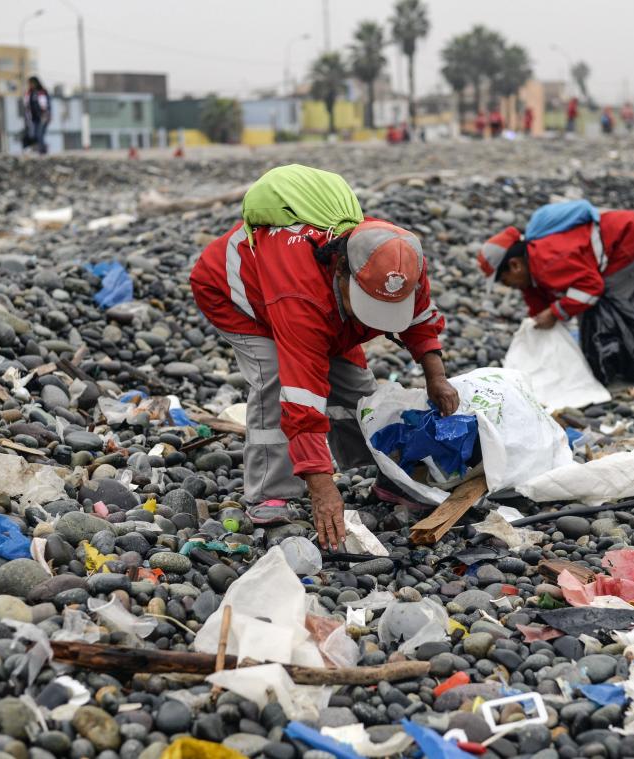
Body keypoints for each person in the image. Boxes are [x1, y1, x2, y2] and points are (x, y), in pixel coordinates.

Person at [190, 165, 457, 549]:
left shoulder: (397, 259)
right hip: (239, 296)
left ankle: (380, 473)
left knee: (358, 389)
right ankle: (269, 491)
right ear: (342, 270)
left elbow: (419, 317)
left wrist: (436, 375)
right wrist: (322, 487)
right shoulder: (302, 296)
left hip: (327, 309)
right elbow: (302, 396)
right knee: (276, 380)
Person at [477, 201, 634, 331]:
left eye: (505, 281)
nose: (510, 286)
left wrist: (555, 313)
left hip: (632, 240)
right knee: (632, 304)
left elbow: (592, 288)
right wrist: (539, 315)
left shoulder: (546, 262)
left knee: (609, 307)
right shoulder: (534, 263)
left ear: (515, 265)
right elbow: (537, 295)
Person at [23, 76, 51, 154]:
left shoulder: (41, 92)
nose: (29, 85)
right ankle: (38, 149)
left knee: (40, 134)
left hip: (42, 117)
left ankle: (42, 151)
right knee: (33, 134)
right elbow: (27, 105)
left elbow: (45, 105)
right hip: (33, 118)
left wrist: (45, 115)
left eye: (30, 83)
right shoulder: (30, 93)